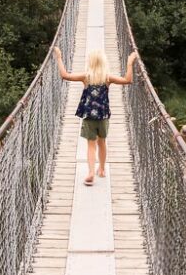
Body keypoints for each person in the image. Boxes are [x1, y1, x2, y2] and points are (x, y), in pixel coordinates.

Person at [54, 47, 137, 185]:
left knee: (91, 145)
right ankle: (102, 169)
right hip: (103, 117)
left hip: (89, 117)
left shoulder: (86, 77)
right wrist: (129, 63)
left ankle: (91, 172)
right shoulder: (107, 78)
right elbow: (128, 80)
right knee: (102, 142)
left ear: (90, 63)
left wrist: (59, 57)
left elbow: (65, 75)